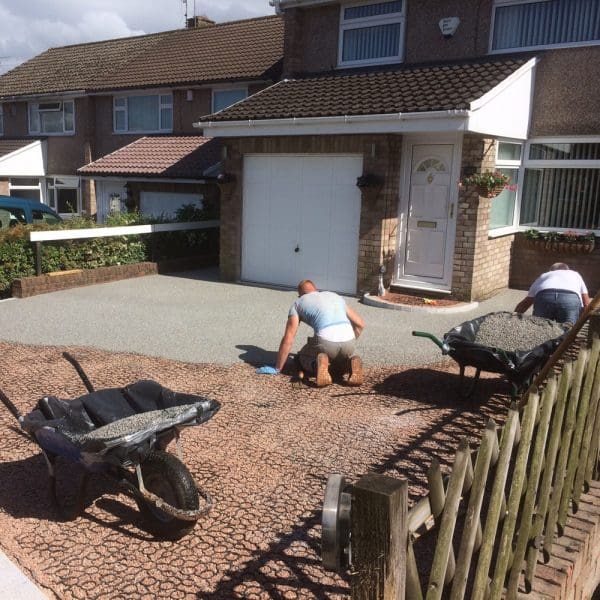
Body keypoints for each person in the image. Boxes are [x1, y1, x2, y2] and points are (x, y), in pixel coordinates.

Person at [257, 279, 365, 387]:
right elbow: (360, 324)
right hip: (349, 339)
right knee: (338, 360)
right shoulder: (335, 296)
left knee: (301, 357)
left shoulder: (298, 303)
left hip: (326, 341)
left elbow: (288, 338)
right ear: (315, 289)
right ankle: (350, 364)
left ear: (300, 295)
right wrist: (347, 343)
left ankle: (316, 365)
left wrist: (277, 368)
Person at [514, 262, 590, 325]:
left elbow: (527, 301)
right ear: (567, 269)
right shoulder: (575, 274)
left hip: (545, 296)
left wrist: (513, 316)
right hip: (570, 298)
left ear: (551, 270)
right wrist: (583, 319)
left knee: (540, 328)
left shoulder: (544, 276)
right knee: (567, 330)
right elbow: (586, 302)